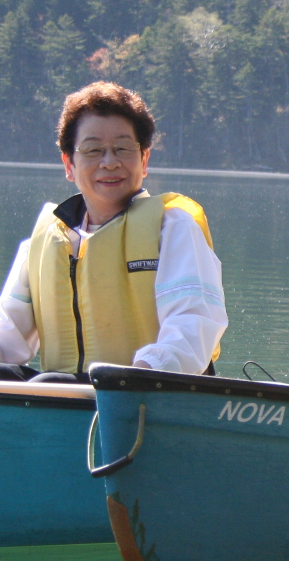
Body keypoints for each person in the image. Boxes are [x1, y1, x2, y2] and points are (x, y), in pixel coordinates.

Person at [0, 82, 226, 382]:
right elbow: (7, 336)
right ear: (69, 164)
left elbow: (194, 325)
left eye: (123, 148)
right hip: (65, 397)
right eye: (93, 150)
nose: (110, 162)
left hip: (147, 393)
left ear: (144, 160)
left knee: (50, 382)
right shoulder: (41, 245)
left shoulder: (173, 229)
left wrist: (135, 378)